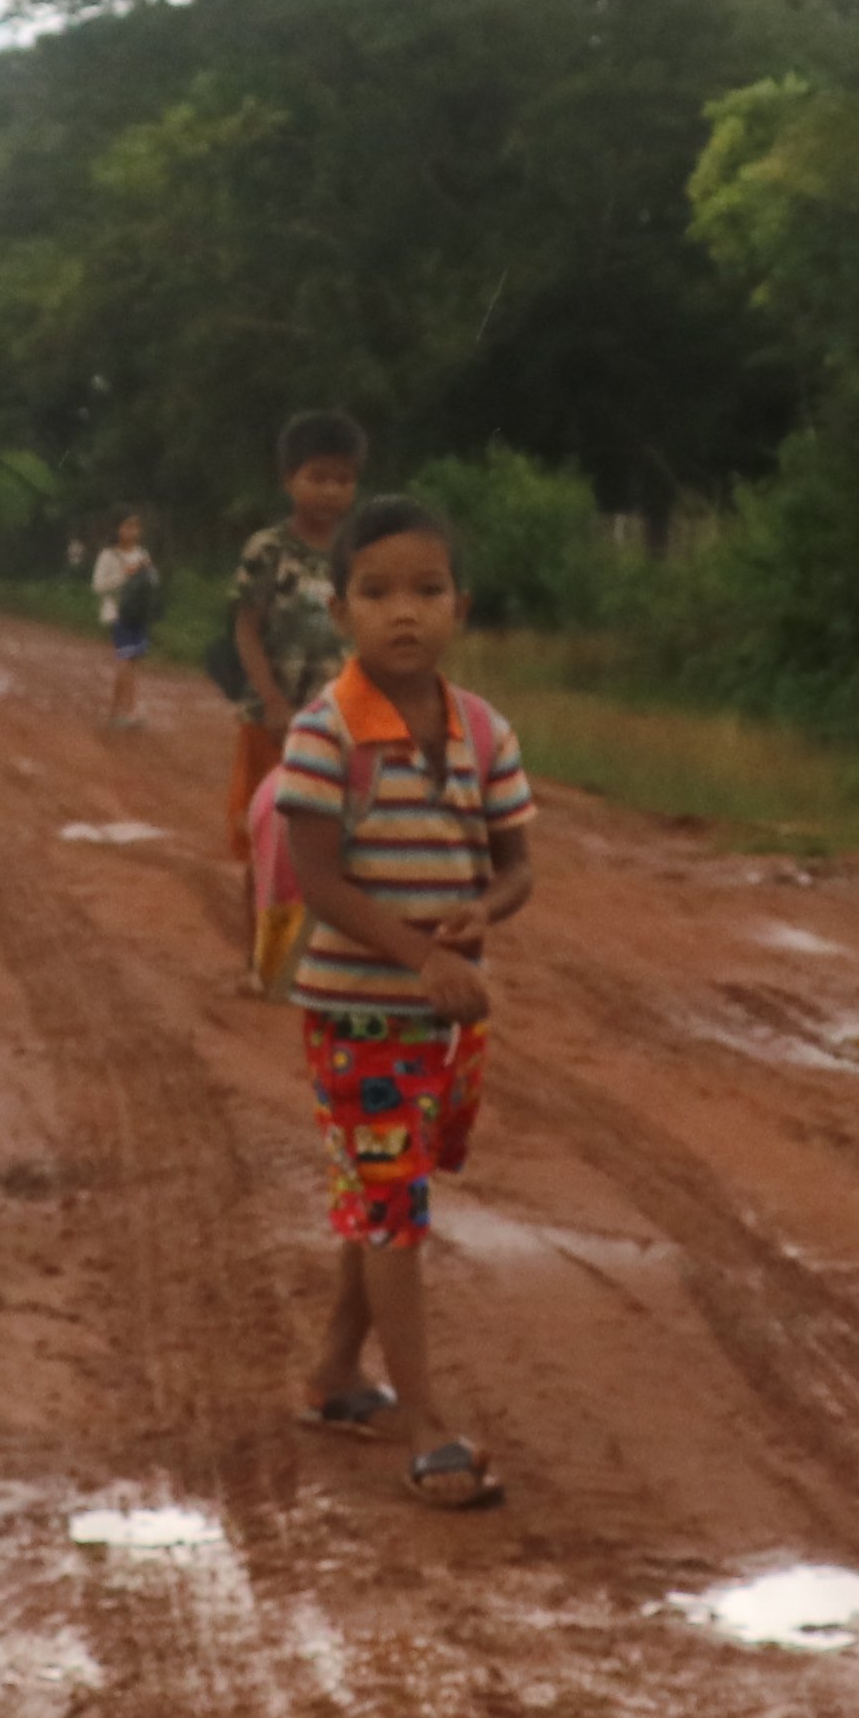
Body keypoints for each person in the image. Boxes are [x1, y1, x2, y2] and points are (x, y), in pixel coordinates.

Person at [266, 495, 532, 1512]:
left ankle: (334, 1375)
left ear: (460, 606)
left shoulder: (482, 730)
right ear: (341, 611)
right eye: (377, 592)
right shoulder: (322, 732)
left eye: (426, 590)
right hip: (358, 1015)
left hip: (443, 1015)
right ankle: (427, 1425)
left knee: (389, 1190)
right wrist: (424, 957)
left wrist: (481, 911)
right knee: (395, 1208)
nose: (403, 612)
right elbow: (320, 882)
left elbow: (516, 866)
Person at [215, 412, 365, 985]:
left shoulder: (360, 553)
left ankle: (331, 962)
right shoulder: (267, 550)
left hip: (344, 725)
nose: (331, 491)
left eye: (344, 479)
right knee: (265, 838)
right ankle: (266, 963)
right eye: (318, 477)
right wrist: (273, 702)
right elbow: (246, 629)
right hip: (271, 723)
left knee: (339, 841)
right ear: (288, 480)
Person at [89, 511, 165, 726]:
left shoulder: (142, 553)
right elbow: (98, 585)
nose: (132, 531)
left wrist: (148, 571)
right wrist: (125, 574)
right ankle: (126, 711)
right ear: (117, 529)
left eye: (135, 527)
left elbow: (154, 582)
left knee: (132, 661)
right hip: (118, 612)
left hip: (139, 613)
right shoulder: (108, 555)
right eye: (127, 526)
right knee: (125, 659)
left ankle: (118, 711)